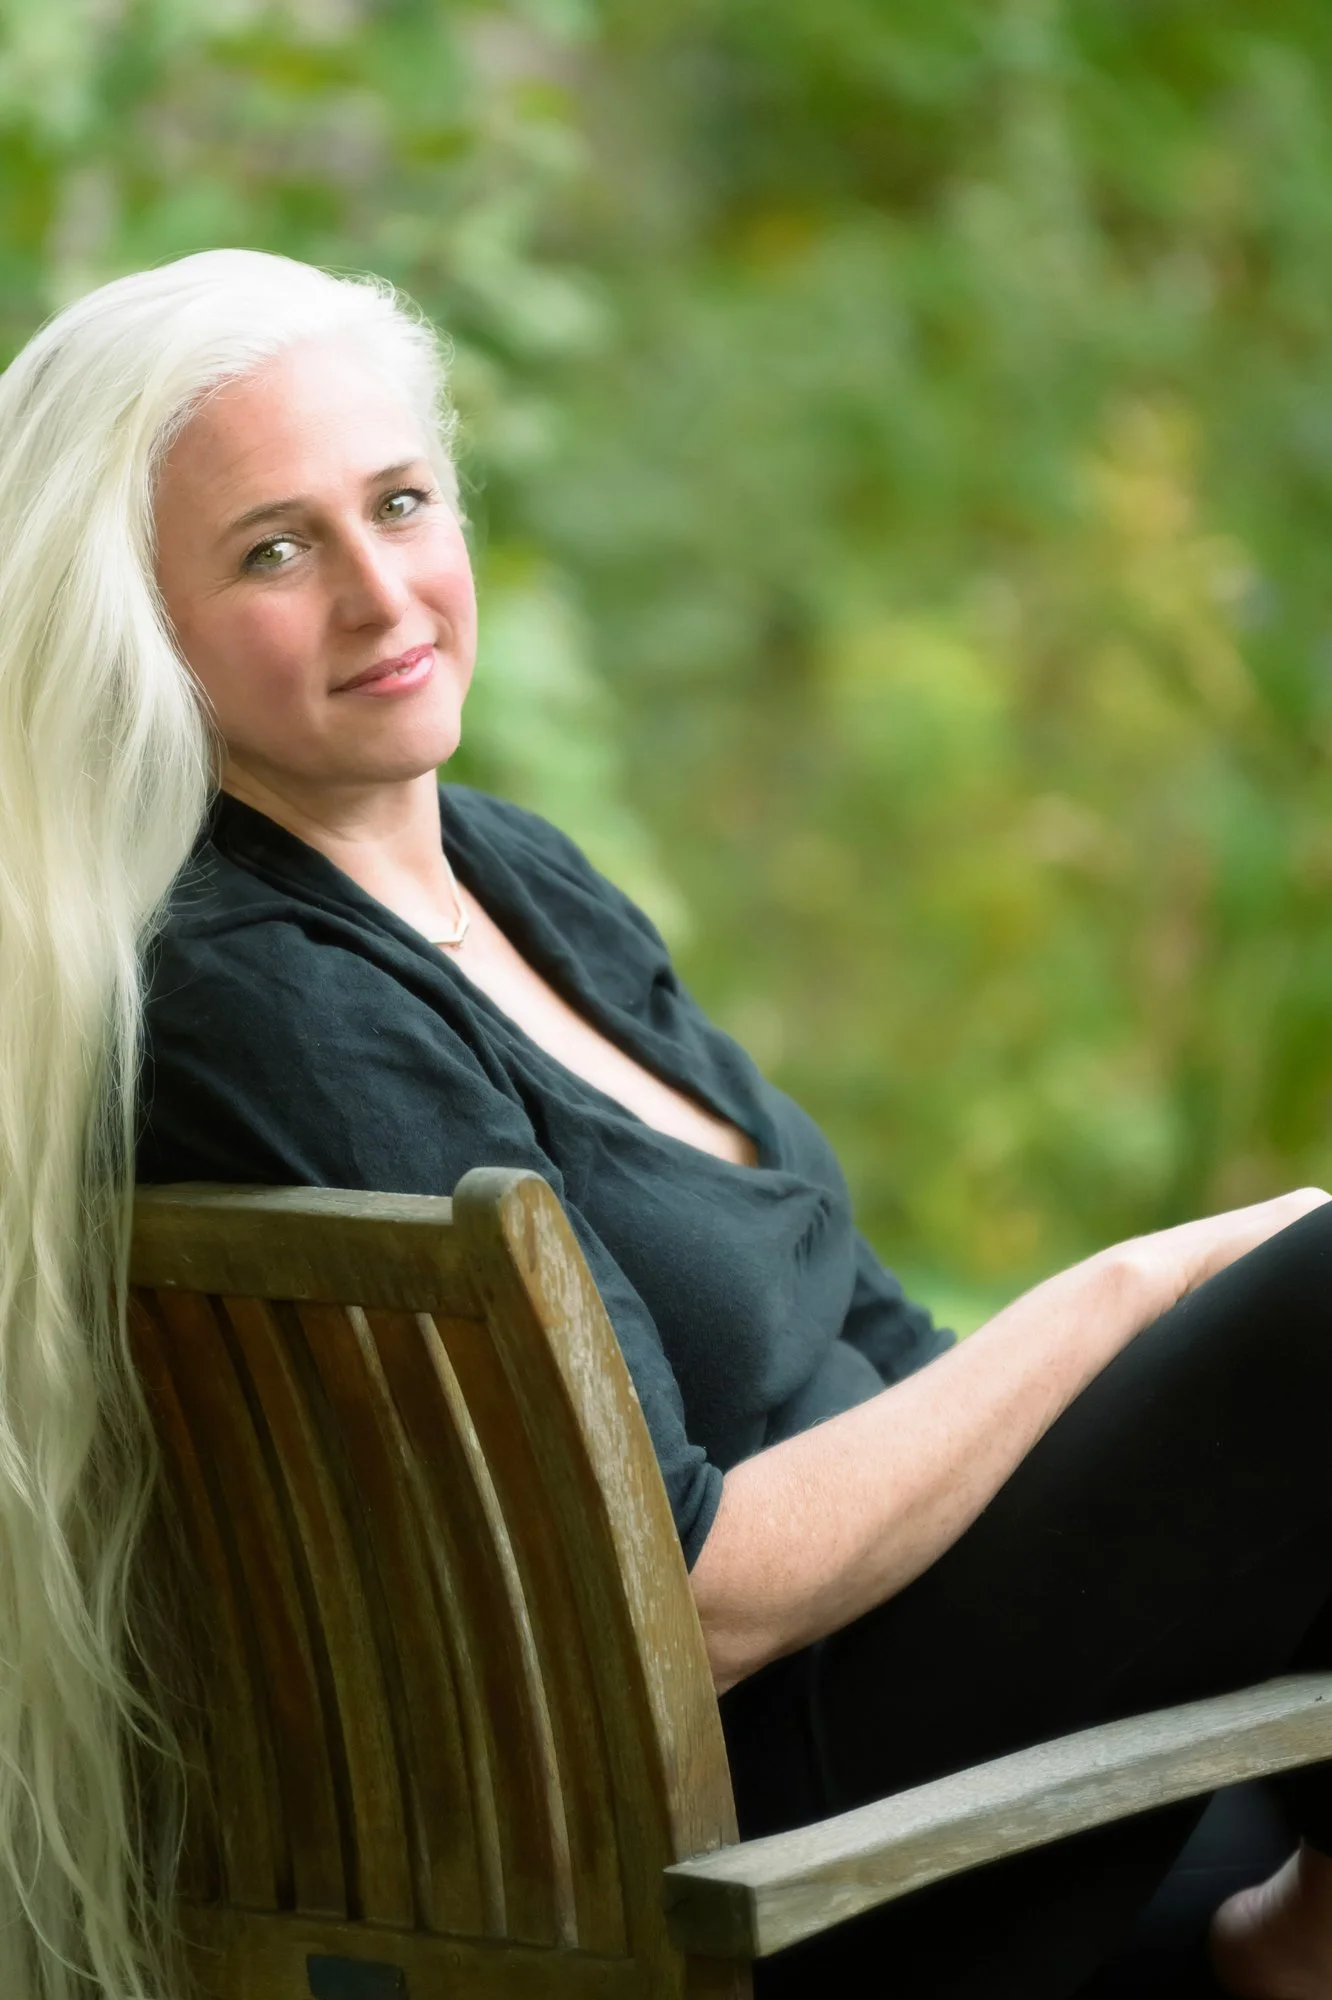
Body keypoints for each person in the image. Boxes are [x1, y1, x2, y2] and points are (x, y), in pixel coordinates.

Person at [0, 248, 1329, 2000]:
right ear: (136, 625)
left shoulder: (505, 868)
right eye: (273, 550)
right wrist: (1138, 1287)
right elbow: (679, 1596)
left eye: (399, 503)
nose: (382, 594)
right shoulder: (269, 1001)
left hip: (946, 1726)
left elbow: (875, 1327)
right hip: (777, 1859)